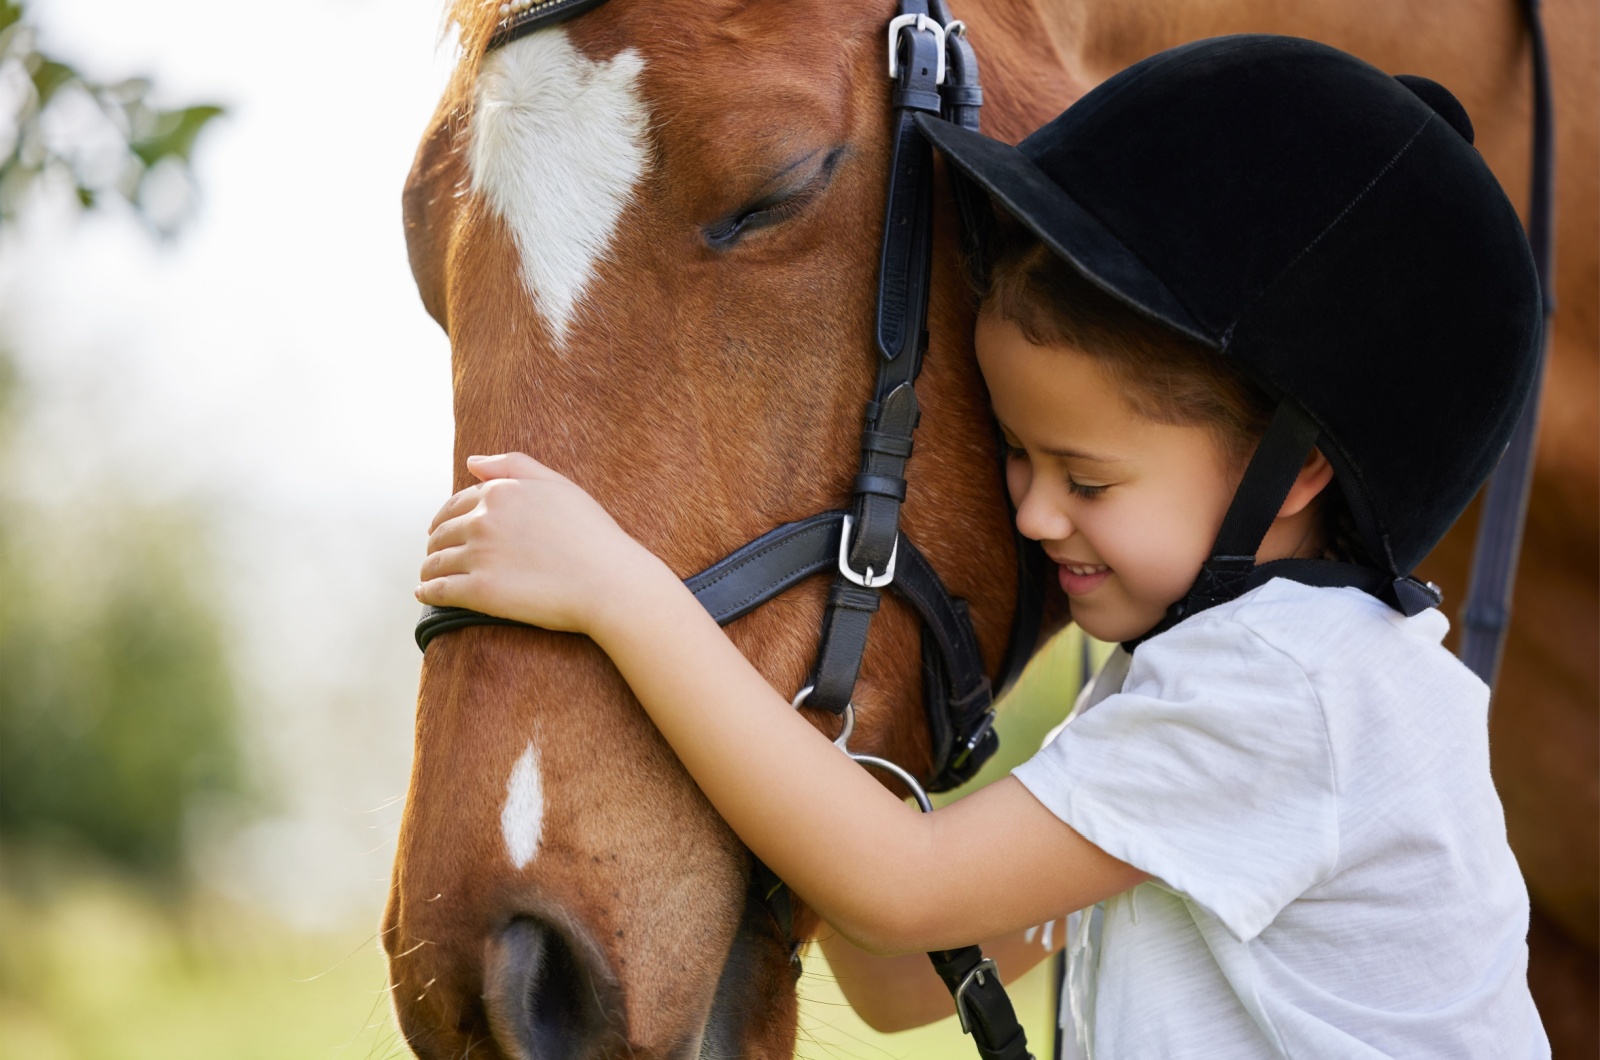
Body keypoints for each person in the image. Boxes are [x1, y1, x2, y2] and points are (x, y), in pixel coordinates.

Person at [414, 35, 1549, 1058]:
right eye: (1017, 456)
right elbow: (904, 977)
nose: (1036, 513)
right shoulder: (1219, 681)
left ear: (1295, 470)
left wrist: (622, 591)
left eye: (1087, 477)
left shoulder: (1283, 693)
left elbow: (904, 891)